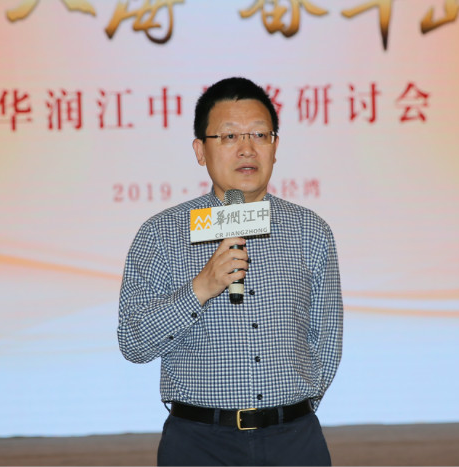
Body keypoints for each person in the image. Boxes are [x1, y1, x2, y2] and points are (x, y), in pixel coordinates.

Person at [117, 77, 343, 466]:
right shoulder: (162, 234)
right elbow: (133, 342)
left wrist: (291, 410)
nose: (246, 148)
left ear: (275, 146)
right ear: (200, 150)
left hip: (293, 440)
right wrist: (200, 289)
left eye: (259, 134)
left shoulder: (310, 231)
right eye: (229, 136)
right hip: (199, 443)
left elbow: (327, 338)